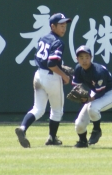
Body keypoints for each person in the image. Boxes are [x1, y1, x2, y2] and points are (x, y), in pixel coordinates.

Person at [15, 13, 72, 148]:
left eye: (65, 26)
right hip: (51, 77)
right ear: (53, 26)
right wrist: (64, 76)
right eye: (61, 25)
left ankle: (23, 128)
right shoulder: (58, 42)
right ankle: (52, 138)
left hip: (39, 75)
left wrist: (60, 67)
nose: (64, 28)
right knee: (57, 110)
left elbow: (43, 59)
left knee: (38, 109)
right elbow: (52, 64)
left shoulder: (43, 38)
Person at [71, 45, 112, 148]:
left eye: (87, 57)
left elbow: (101, 93)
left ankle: (97, 129)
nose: (84, 60)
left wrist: (88, 99)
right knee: (79, 124)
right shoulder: (78, 68)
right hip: (95, 92)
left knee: (93, 108)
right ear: (77, 59)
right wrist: (81, 95)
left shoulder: (98, 71)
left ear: (91, 57)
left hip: (111, 93)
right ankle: (83, 141)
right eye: (81, 57)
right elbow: (76, 85)